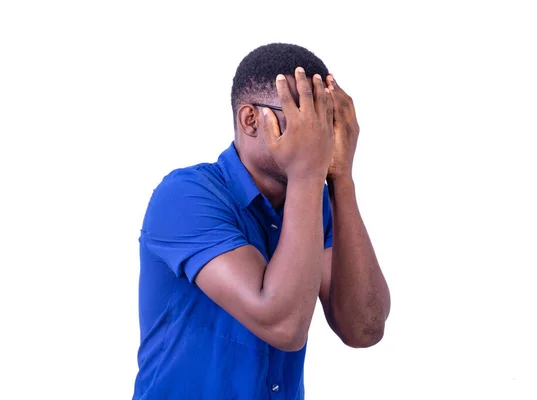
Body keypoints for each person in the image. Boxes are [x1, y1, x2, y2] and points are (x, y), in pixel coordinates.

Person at [132, 43, 391, 400]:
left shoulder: (313, 199)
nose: (319, 137)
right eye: (304, 120)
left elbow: (364, 328)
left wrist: (341, 178)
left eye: (326, 120)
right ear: (251, 120)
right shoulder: (185, 196)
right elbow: (282, 324)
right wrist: (306, 175)